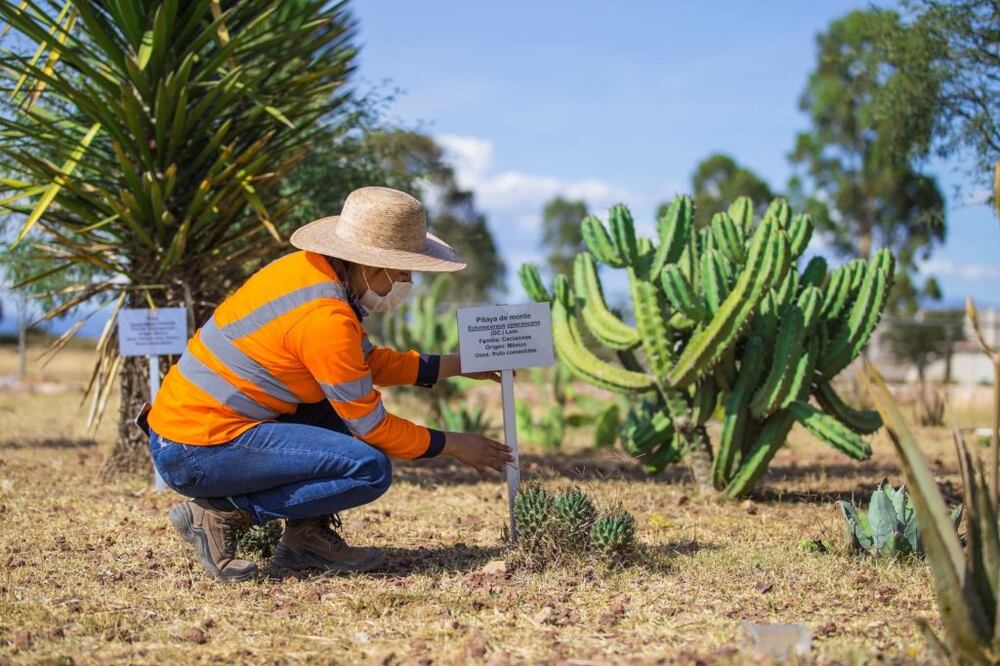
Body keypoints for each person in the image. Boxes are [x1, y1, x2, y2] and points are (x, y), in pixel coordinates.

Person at [143, 186, 512, 582]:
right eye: (403, 272)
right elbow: (373, 428)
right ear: (371, 265)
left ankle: (306, 540)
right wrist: (454, 444)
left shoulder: (310, 272)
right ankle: (222, 513)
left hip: (188, 433)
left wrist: (456, 365)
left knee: (331, 414)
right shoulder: (325, 317)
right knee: (367, 470)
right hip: (197, 451)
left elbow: (363, 363)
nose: (409, 282)